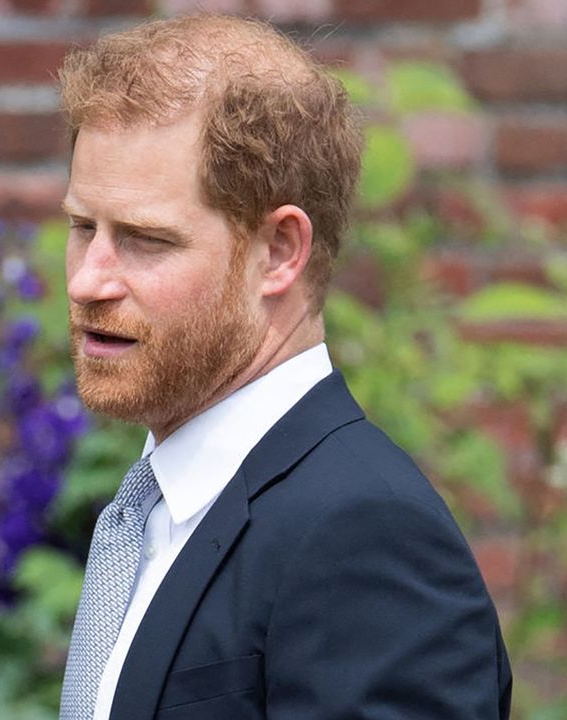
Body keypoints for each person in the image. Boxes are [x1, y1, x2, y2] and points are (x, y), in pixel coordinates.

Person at [56, 14, 511, 719]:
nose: (89, 279)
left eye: (145, 239)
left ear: (279, 251)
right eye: (84, 227)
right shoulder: (153, 509)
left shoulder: (365, 533)